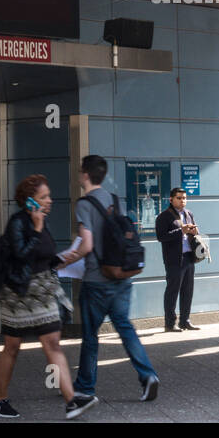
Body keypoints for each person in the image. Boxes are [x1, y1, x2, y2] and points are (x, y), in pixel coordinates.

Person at [0, 174, 96, 420]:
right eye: (43, 197)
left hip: (42, 291)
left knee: (52, 343)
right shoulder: (18, 223)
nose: (50, 200)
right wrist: (37, 229)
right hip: (18, 293)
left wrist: (62, 259)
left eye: (48, 196)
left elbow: (42, 255)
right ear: (30, 202)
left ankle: (71, 400)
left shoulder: (40, 220)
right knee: (12, 347)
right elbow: (21, 256)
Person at [67, 155, 160, 402]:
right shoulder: (114, 200)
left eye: (80, 172)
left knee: (90, 336)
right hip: (120, 277)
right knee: (126, 329)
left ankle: (85, 387)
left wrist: (64, 260)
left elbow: (86, 246)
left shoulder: (84, 204)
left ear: (85, 174)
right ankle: (148, 375)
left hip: (96, 281)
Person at [155, 187, 200, 332]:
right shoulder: (164, 216)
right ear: (171, 199)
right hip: (174, 259)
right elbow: (161, 237)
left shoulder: (189, 214)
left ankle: (185, 320)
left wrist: (194, 231)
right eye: (179, 198)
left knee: (188, 290)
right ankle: (170, 323)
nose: (183, 201)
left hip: (189, 256)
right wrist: (181, 231)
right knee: (172, 291)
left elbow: (193, 234)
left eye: (185, 198)